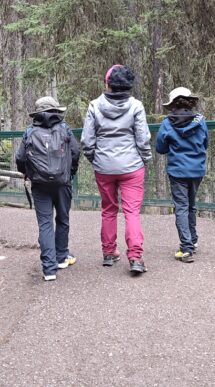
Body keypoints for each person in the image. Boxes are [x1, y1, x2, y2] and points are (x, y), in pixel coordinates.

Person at [81, 65, 152, 275]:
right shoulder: (136, 106)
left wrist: (95, 158)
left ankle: (109, 253)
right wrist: (144, 159)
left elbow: (87, 139)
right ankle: (136, 257)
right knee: (132, 212)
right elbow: (143, 138)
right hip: (131, 166)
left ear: (107, 83)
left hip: (104, 167)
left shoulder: (94, 105)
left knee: (109, 209)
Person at [15, 96, 81, 282]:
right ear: (56, 111)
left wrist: (26, 173)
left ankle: (49, 269)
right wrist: (71, 172)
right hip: (62, 182)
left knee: (45, 223)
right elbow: (75, 153)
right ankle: (61, 257)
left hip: (39, 183)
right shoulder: (65, 129)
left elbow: (20, 158)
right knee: (63, 219)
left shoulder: (30, 132)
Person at [155, 87, 208, 263]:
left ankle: (186, 248)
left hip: (178, 170)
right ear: (189, 102)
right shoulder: (201, 121)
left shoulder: (167, 124)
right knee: (191, 205)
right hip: (197, 169)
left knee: (181, 207)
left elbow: (160, 148)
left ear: (173, 104)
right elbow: (205, 143)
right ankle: (192, 240)